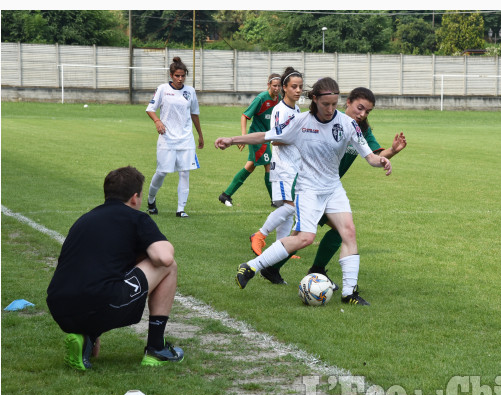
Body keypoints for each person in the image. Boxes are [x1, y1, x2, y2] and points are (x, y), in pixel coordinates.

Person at [216, 77, 392, 306]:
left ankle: (350, 293)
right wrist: (232, 139)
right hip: (308, 189)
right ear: (315, 99)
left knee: (348, 232)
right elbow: (265, 136)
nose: (330, 109)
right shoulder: (300, 122)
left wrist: (382, 161)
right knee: (305, 238)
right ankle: (251, 266)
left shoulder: (348, 125)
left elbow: (369, 156)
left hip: (333, 188)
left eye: (334, 104)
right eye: (325, 104)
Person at [258, 87, 407, 288]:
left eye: (367, 111)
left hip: (328, 189)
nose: (362, 114)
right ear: (348, 102)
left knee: (312, 234)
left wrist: (393, 151)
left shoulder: (361, 129)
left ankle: (272, 268)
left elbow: (375, 155)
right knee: (322, 233)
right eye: (360, 108)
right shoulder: (325, 121)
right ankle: (307, 269)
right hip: (309, 186)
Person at [47, 166, 184, 370]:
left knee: (105, 275)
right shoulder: (136, 218)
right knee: (169, 266)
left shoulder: (84, 219)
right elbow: (164, 257)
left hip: (60, 307)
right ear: (135, 198)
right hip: (100, 302)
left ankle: (87, 337)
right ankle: (156, 348)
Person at [250, 67, 303, 265]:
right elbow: (275, 140)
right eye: (294, 87)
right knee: (291, 206)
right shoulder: (280, 110)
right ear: (284, 89)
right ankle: (259, 235)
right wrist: (298, 136)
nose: (298, 91)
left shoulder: (296, 109)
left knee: (287, 208)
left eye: (300, 87)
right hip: (282, 166)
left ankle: (282, 247)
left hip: (293, 166)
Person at [146, 56, 204, 218]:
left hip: (186, 139)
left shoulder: (190, 91)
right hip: (167, 139)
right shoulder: (163, 89)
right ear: (171, 75)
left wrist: (200, 135)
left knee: (185, 173)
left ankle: (181, 209)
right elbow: (150, 109)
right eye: (177, 75)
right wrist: (157, 121)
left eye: (183, 75)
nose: (180, 79)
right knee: (162, 172)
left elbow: (194, 114)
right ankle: (151, 199)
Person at [218, 74, 282, 207]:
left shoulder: (279, 99)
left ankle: (226, 195)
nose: (277, 88)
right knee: (269, 165)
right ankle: (275, 201)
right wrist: (243, 138)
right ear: (268, 85)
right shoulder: (261, 98)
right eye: (274, 85)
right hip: (257, 138)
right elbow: (244, 116)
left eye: (279, 86)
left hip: (267, 138)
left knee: (250, 166)